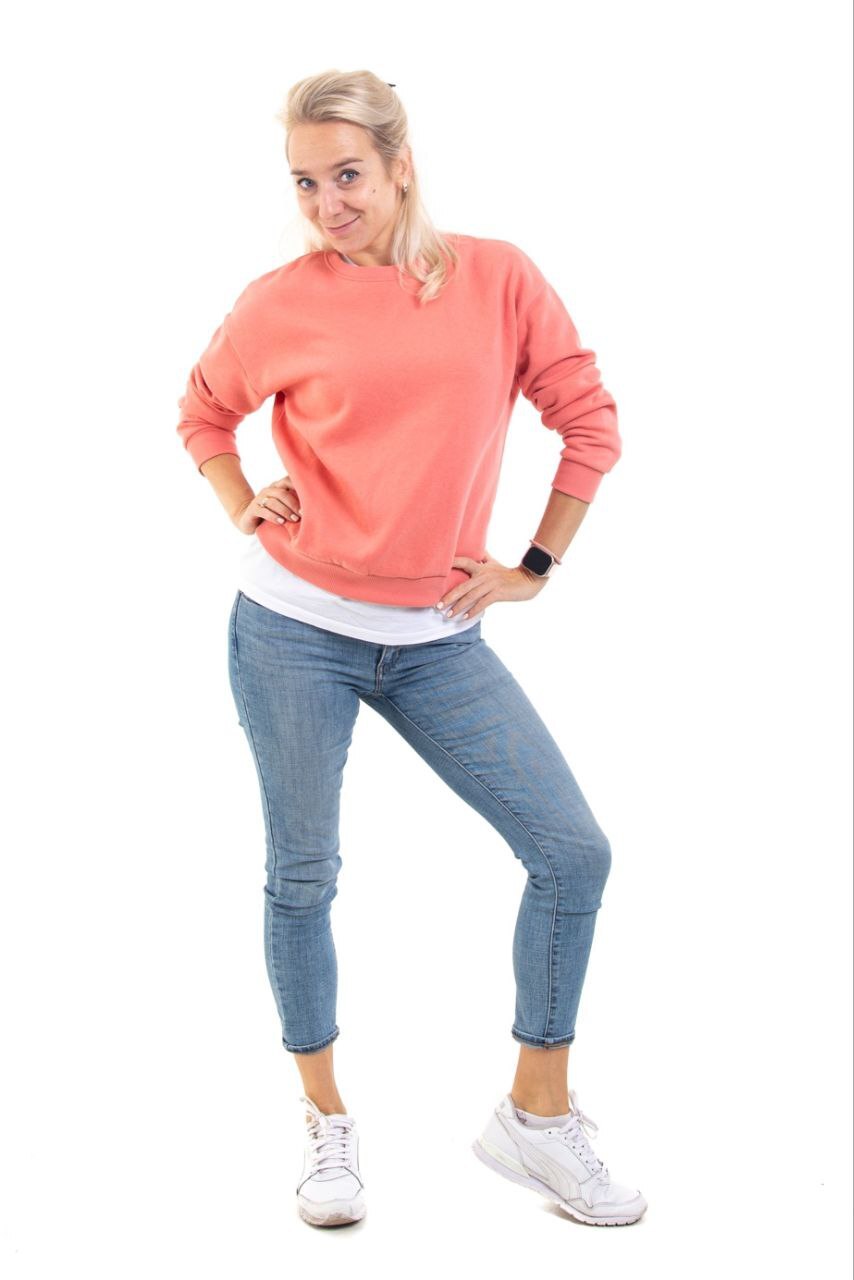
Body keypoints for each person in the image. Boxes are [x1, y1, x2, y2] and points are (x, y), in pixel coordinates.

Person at [176, 68, 647, 1230]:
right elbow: (202, 410)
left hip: (437, 636)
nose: (326, 203)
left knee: (571, 853)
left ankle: (535, 1114)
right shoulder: (279, 302)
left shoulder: (495, 277)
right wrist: (243, 499)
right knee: (303, 872)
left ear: (398, 167)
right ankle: (325, 1121)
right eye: (303, 182)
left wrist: (532, 565)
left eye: (346, 174)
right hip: (291, 628)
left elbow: (587, 420)